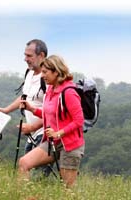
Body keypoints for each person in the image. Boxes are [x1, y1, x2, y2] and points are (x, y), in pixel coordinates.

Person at [17, 55, 85, 188]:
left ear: (56, 72)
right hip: (52, 142)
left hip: (70, 145)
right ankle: (24, 196)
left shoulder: (69, 92)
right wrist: (31, 109)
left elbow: (79, 120)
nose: (42, 76)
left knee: (67, 189)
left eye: (45, 72)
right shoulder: (50, 89)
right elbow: (49, 113)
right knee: (24, 163)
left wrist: (59, 133)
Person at [0, 39, 47, 157]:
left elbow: (55, 111)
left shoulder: (48, 78)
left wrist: (32, 127)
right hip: (31, 136)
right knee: (24, 170)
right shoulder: (29, 73)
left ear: (41, 55)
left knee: (34, 172)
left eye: (29, 56)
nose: (25, 59)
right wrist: (6, 110)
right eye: (25, 55)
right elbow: (25, 97)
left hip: (45, 135)